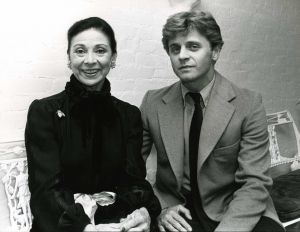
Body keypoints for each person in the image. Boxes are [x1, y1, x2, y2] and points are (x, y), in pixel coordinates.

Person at [140, 10, 285, 232]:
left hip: (235, 207)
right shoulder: (153, 102)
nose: (182, 55)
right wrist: (159, 207)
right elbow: (132, 170)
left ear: (215, 51)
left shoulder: (249, 104)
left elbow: (254, 183)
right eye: (174, 48)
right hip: (178, 211)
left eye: (193, 47)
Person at [25, 16, 161, 232]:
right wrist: (85, 228)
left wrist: (144, 212)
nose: (90, 60)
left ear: (113, 58)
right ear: (69, 58)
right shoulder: (44, 112)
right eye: (80, 51)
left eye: (100, 50)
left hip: (119, 225)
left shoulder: (129, 115)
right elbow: (45, 192)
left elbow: (134, 182)